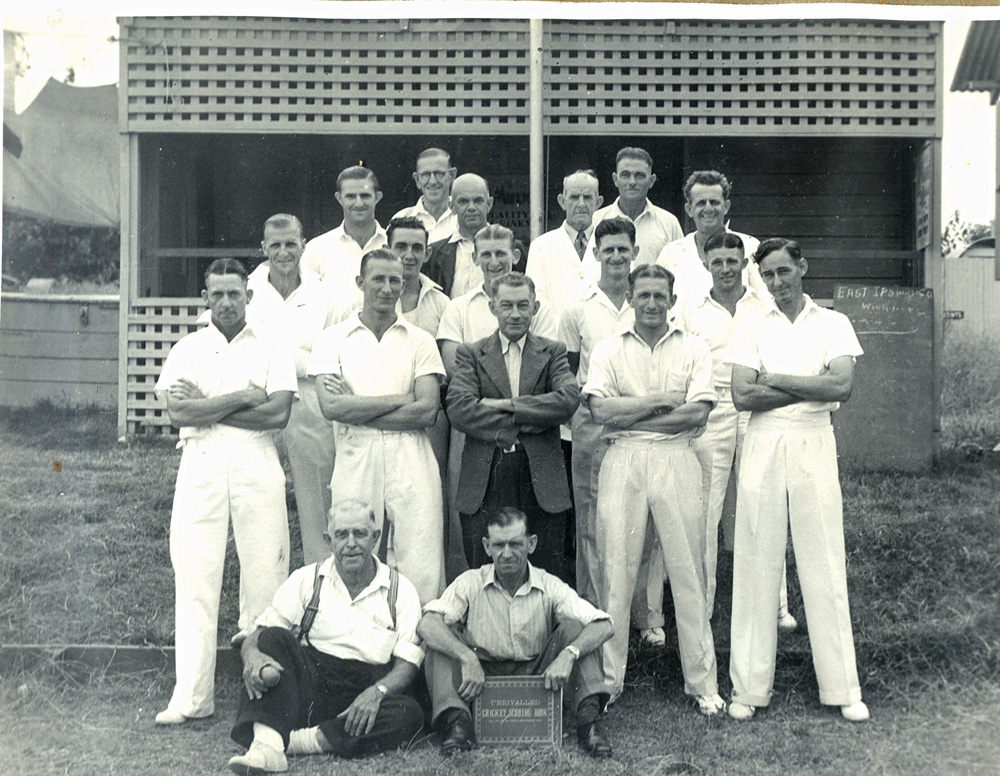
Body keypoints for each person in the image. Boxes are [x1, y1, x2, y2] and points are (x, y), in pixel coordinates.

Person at [726, 238, 869, 723]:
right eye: (767, 275)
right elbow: (743, 397)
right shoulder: (750, 326)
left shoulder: (834, 323)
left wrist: (774, 379)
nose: (777, 283)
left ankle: (843, 687)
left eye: (784, 272)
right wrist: (805, 385)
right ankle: (748, 688)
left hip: (814, 441)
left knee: (824, 560)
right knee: (755, 562)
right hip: (763, 443)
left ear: (802, 267)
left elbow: (841, 387)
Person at [154, 258, 295, 725]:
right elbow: (178, 414)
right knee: (195, 574)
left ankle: (265, 695)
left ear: (248, 296)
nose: (227, 302)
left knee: (265, 578)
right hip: (202, 462)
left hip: (257, 458)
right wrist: (242, 396)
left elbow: (276, 415)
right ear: (205, 298)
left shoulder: (273, 345)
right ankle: (192, 697)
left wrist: (205, 407)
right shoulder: (188, 348)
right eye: (218, 294)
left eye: (235, 293)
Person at [583, 263, 725, 715]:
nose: (650, 303)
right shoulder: (609, 348)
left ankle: (703, 684)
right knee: (616, 572)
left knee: (688, 572)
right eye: (642, 294)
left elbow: (696, 414)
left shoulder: (694, 348)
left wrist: (634, 413)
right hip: (623, 458)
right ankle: (608, 683)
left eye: (658, 295)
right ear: (631, 296)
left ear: (672, 299)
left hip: (676, 456)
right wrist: (657, 402)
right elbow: (601, 411)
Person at [227, 499, 425, 775]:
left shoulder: (400, 590)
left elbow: (407, 665)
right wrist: (251, 655)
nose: (351, 543)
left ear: (376, 537)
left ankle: (287, 740)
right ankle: (270, 746)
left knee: (409, 714)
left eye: (360, 533)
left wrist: (377, 692)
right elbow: (259, 632)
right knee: (273, 637)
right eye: (342, 535)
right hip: (313, 683)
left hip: (363, 691)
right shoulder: (307, 580)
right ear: (328, 540)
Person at [418, 508, 615, 758]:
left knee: (576, 629)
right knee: (439, 637)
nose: (507, 554)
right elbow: (427, 625)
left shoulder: (548, 584)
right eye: (499, 545)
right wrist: (466, 657)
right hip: (480, 676)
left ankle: (589, 723)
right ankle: (456, 723)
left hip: (537, 674)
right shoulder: (469, 582)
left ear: (531, 544)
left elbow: (604, 624)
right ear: (487, 546)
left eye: (515, 544)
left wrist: (568, 654)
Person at [308, 249, 446, 606]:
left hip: (411, 451)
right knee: (353, 546)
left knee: (421, 559)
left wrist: (358, 406)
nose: (386, 289)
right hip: (357, 451)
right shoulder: (332, 339)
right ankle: (353, 642)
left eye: (394, 280)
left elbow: (427, 411)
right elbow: (332, 407)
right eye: (378, 279)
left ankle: (417, 650)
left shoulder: (420, 340)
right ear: (360, 282)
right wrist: (401, 398)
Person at [558, 219, 667, 651]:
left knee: (646, 517)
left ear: (635, 251)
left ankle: (646, 613)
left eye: (624, 249)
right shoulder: (578, 307)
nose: (617, 257)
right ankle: (593, 610)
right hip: (594, 421)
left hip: (646, 422)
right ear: (597, 253)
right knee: (592, 518)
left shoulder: (650, 299)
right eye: (609, 250)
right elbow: (567, 371)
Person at [681, 232, 796, 626]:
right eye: (718, 262)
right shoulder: (691, 309)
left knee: (763, 504)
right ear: (706, 265)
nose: (726, 269)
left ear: (744, 263)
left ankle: (776, 605)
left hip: (755, 410)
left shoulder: (764, 306)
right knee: (705, 514)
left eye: (733, 261)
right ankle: (702, 606)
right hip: (711, 413)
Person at [446, 271, 580, 578]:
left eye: (523, 305)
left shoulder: (553, 351)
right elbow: (460, 408)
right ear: (492, 307)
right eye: (506, 305)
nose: (515, 314)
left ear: (535, 307)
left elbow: (567, 400)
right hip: (487, 473)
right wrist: (528, 419)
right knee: (484, 568)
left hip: (540, 477)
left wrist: (506, 405)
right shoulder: (471, 353)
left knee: (546, 566)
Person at [246, 213, 341, 566]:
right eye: (275, 245)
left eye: (291, 244)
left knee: (317, 492)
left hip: (308, 400)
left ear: (303, 245)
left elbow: (336, 346)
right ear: (263, 248)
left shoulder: (323, 293)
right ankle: (266, 575)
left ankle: (322, 572)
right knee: (260, 493)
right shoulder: (248, 290)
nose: (283, 252)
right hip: (261, 400)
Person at [656, 170, 766, 307]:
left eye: (714, 202)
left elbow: (765, 300)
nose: (708, 208)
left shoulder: (750, 246)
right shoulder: (671, 253)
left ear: (726, 207)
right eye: (701, 203)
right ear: (689, 209)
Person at [424, 174, 526, 298]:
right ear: (451, 207)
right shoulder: (435, 253)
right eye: (463, 201)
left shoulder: (514, 247)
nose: (471, 207)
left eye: (478, 200)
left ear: (489, 204)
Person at [525, 169, 604, 317]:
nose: (581, 204)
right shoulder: (541, 247)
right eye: (574, 197)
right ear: (562, 201)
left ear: (598, 202)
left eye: (587, 197)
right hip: (555, 336)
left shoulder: (611, 246)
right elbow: (536, 301)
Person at [300, 166, 387, 294]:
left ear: (377, 197)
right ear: (339, 198)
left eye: (365, 196)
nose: (359, 203)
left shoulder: (392, 244)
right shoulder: (316, 249)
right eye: (351, 196)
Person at [592, 147, 683, 266]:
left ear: (651, 181)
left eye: (639, 176)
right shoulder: (596, 220)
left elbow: (679, 267)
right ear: (615, 179)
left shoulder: (669, 223)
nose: (632, 182)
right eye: (625, 175)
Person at [392, 148, 459, 244]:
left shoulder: (463, 216)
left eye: (439, 174)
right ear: (417, 180)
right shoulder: (401, 218)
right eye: (425, 175)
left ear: (452, 175)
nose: (432, 181)